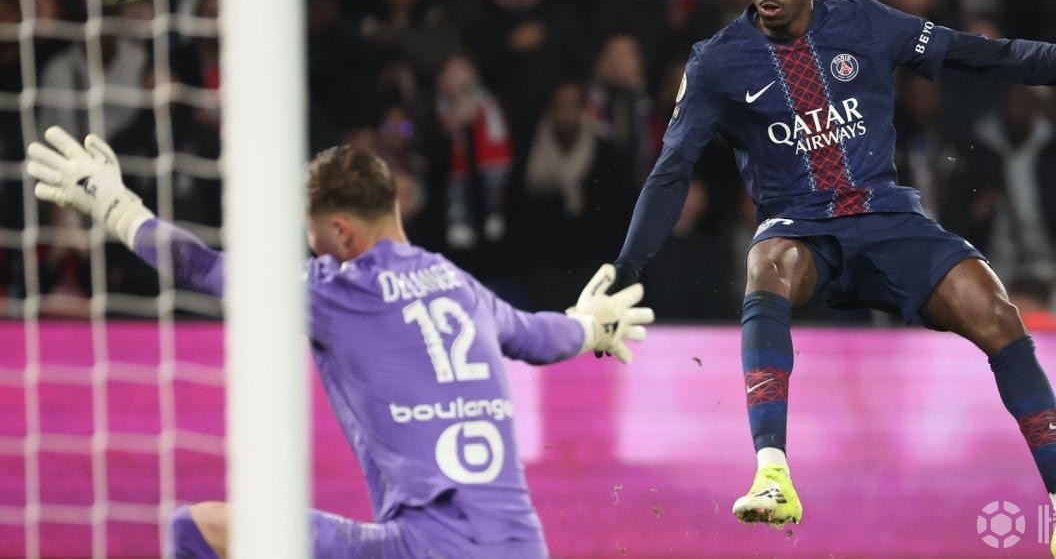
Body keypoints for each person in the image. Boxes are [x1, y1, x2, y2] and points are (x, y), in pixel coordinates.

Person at [602, 0, 1056, 556]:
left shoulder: (864, 21)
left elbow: (983, 54)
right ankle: (772, 474)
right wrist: (628, 265)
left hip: (888, 218)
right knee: (767, 262)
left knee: (997, 312)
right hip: (802, 227)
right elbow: (672, 170)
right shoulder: (717, 62)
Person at [25, 129, 653, 558]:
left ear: (344, 232)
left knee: (194, 530)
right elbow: (539, 338)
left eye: (316, 238)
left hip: (423, 548)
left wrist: (115, 205)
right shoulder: (459, 286)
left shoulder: (336, 290)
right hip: (522, 547)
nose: (315, 252)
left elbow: (200, 267)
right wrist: (591, 325)